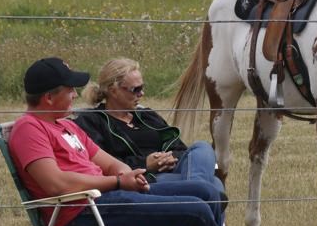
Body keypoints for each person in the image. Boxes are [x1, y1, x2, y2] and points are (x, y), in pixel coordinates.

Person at [9, 57, 285, 226]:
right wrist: (118, 182)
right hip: (81, 211)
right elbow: (55, 184)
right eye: (69, 89)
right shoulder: (29, 129)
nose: (75, 94)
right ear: (48, 97)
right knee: (197, 210)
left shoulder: (65, 125)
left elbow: (107, 161)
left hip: (109, 198)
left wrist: (128, 174)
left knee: (208, 191)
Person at [74, 57, 223, 193]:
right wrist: (146, 163)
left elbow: (179, 148)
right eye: (136, 89)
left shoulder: (146, 115)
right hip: (144, 179)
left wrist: (167, 158)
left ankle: (197, 190)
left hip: (173, 170)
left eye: (142, 87)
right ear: (113, 91)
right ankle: (201, 192)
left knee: (202, 147)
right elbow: (101, 165)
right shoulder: (92, 121)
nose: (142, 93)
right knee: (215, 185)